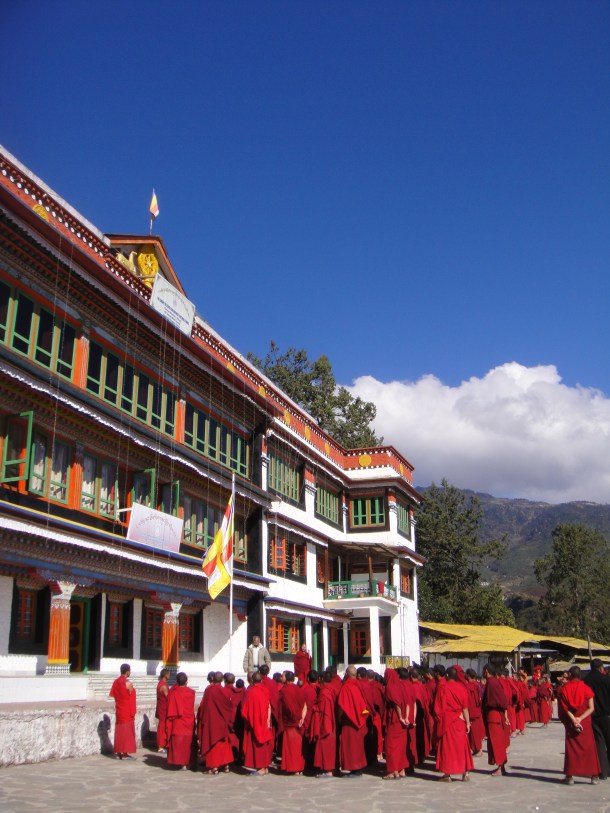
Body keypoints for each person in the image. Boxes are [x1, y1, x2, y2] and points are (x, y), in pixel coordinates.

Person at [558, 665, 601, 785]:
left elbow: (565, 709)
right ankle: (594, 776)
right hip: (585, 722)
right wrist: (580, 719)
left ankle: (570, 776)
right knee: (589, 748)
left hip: (572, 723)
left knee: (571, 749)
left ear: (570, 675)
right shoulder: (587, 689)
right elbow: (591, 708)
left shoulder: (565, 689)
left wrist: (574, 720)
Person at [433, 665, 473, 782]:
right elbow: (465, 708)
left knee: (448, 748)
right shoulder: (462, 688)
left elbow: (438, 707)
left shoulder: (443, 688)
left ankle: (447, 774)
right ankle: (465, 774)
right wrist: (468, 722)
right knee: (462, 747)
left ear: (446, 675)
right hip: (460, 721)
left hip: (448, 721)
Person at [198, 671, 234, 774]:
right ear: (223, 680)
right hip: (223, 723)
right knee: (224, 744)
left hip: (212, 723)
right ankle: (226, 766)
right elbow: (229, 708)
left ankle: (214, 767)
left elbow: (203, 706)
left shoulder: (209, 691)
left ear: (213, 679)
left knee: (213, 745)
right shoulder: (226, 691)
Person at [338, 665, 370, 776]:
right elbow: (365, 705)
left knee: (351, 747)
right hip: (360, 720)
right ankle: (359, 768)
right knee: (358, 746)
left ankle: (354, 769)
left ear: (347, 674)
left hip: (349, 721)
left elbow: (342, 705)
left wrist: (339, 717)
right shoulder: (359, 686)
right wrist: (363, 717)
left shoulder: (346, 687)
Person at [241, 670, 273, 775]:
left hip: (255, 722)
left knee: (257, 745)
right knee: (264, 745)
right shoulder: (265, 690)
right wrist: (268, 720)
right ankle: (265, 766)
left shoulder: (250, 692)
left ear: (252, 681)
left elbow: (245, 711)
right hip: (265, 721)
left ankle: (261, 768)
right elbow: (269, 705)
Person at [585, 658, 610, 781]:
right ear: (601, 668)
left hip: (592, 715)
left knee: (599, 742)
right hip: (607, 714)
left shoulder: (586, 681)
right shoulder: (606, 679)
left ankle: (603, 772)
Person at [482, 664, 509, 776]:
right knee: (497, 742)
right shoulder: (493, 682)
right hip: (495, 715)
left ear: (487, 671)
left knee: (496, 742)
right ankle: (501, 767)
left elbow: (500, 701)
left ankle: (499, 766)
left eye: (484, 671)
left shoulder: (492, 683)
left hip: (494, 716)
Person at [278, 670, 307, 774]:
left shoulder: (284, 691)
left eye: (283, 676)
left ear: (286, 678)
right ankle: (299, 768)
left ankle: (294, 768)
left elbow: (287, 707)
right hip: (298, 721)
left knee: (291, 747)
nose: (281, 678)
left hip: (290, 722)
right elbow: (304, 704)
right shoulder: (298, 689)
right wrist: (302, 718)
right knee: (298, 747)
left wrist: (295, 717)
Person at [166, 672, 196, 770]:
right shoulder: (191, 693)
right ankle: (186, 763)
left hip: (177, 722)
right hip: (188, 720)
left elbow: (170, 708)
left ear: (177, 682)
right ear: (187, 681)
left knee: (179, 742)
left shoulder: (173, 692)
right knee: (187, 743)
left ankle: (180, 762)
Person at [382, 667, 408, 780]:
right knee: (400, 746)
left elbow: (397, 703)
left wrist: (400, 717)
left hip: (395, 720)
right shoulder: (401, 686)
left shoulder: (390, 687)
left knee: (391, 746)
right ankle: (401, 770)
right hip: (402, 722)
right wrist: (406, 717)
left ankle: (393, 771)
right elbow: (407, 703)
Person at [310, 671, 337, 778]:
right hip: (331, 721)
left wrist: (314, 708)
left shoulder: (324, 692)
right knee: (327, 747)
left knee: (326, 747)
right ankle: (327, 769)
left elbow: (323, 708)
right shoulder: (331, 689)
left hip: (326, 723)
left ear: (321, 679)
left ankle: (328, 771)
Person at [109, 663, 137, 760]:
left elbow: (114, 695)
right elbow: (130, 695)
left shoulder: (116, 682)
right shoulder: (128, 683)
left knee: (119, 731)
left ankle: (119, 752)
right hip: (127, 710)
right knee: (126, 732)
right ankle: (125, 753)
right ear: (127, 672)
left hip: (119, 709)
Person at [155, 667, 170, 753]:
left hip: (161, 707)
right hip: (164, 708)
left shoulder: (160, 684)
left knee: (162, 726)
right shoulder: (163, 686)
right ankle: (160, 746)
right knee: (162, 726)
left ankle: (162, 744)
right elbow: (168, 697)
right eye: (168, 674)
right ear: (165, 675)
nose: (169, 676)